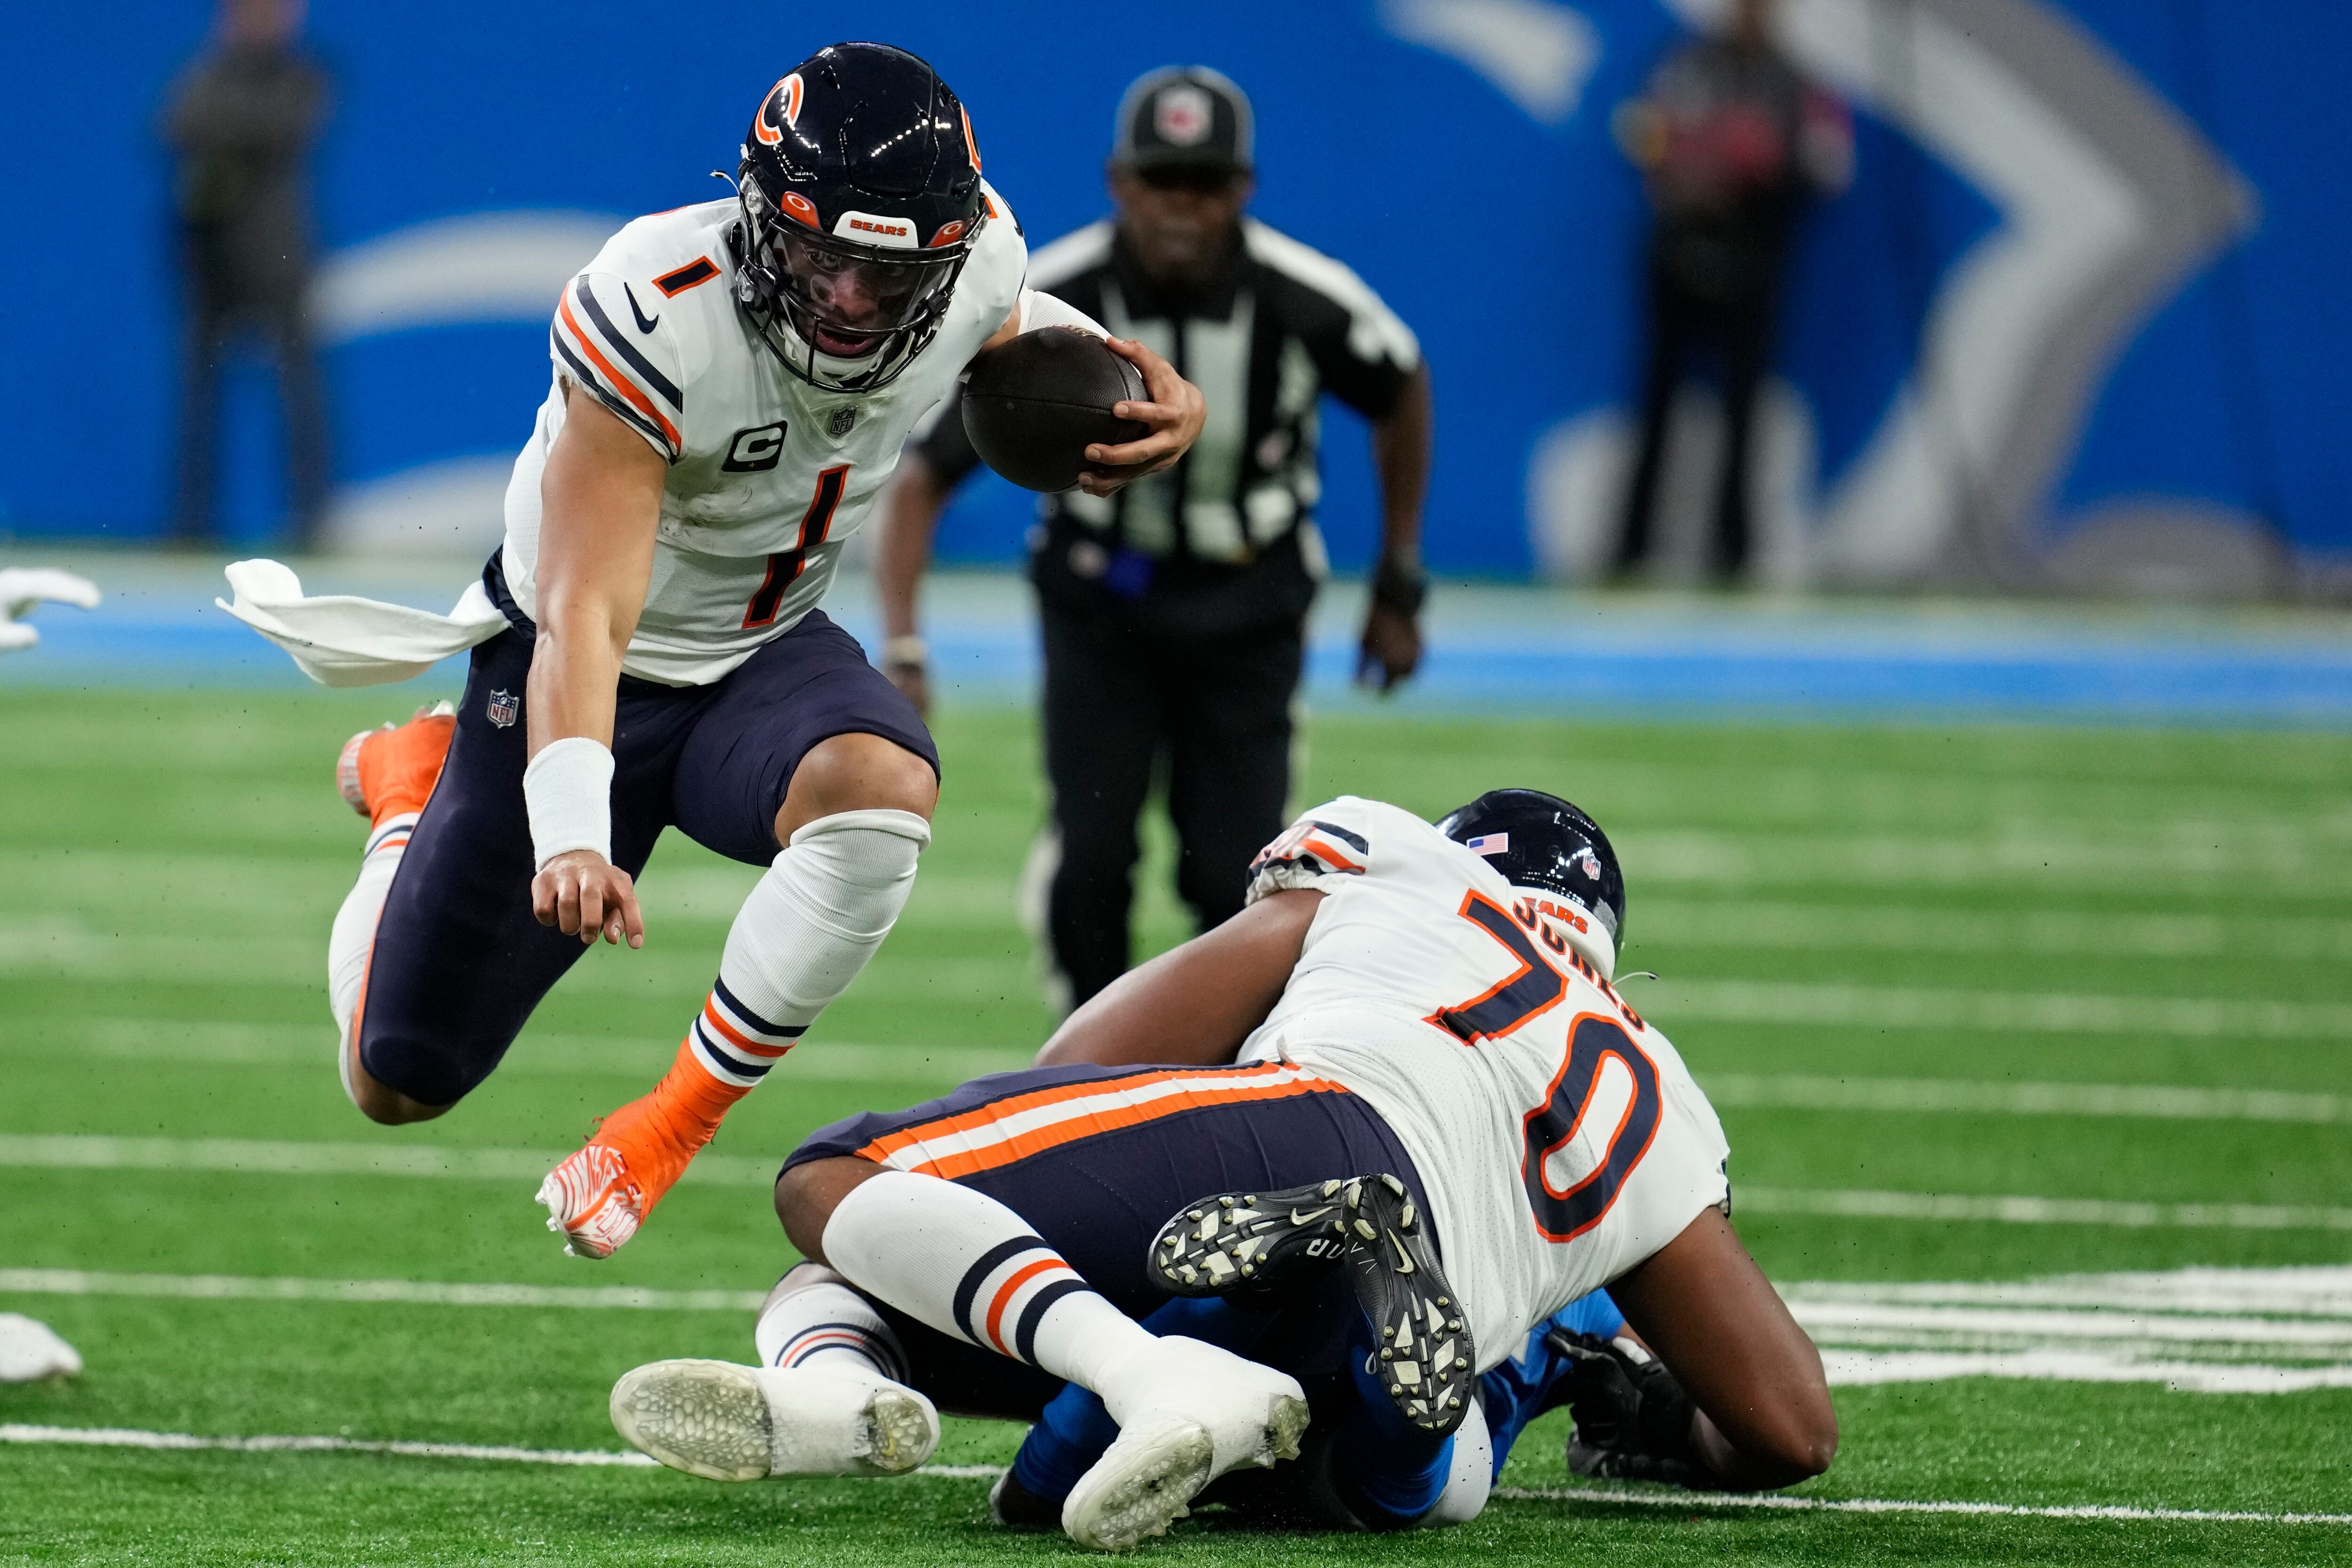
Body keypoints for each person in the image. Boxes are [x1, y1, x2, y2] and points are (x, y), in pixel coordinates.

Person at [222, 44, 1205, 1260]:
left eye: (886, 272)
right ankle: (405, 794)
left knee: (884, 791)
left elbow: (1004, 317)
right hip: (583, 660)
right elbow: (587, 607)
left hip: (767, 649)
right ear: (759, 220)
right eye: (821, 258)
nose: (850, 299)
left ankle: (669, 1126)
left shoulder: (973, 262)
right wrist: (576, 828)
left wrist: (1145, 390)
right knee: (399, 1076)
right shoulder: (658, 307)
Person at [609, 787, 1835, 1548]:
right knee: (1327, 1455)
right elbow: (1793, 1426)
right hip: (1421, 1333)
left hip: (1328, 1122)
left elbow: (1082, 1060)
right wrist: (1687, 1430)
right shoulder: (1654, 1083)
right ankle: (901, 1392)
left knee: (837, 1180)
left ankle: (1128, 1367)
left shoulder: (1406, 870)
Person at [873, 65, 1434, 1013]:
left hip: (1251, 600)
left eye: (1204, 185)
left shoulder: (1301, 297)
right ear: (1118, 182)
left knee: (1238, 868)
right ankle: (1080, 1067)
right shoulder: (1045, 299)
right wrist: (903, 642)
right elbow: (923, 471)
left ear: (1241, 190)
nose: (1181, 209)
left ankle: (1218, 1083)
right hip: (1103, 599)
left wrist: (1398, 579)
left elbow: (1401, 383)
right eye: (1161, 183)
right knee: (1091, 857)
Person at [1611, 0, 1851, 583]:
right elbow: (1639, 133)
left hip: (1754, 250)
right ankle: (1630, 550)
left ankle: (1732, 556)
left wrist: (1774, 164)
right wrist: (1694, 157)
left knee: (1743, 409)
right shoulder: (1688, 64)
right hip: (1683, 244)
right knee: (1657, 400)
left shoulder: (1792, 82)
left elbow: (1830, 167)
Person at [162, 0, 334, 549]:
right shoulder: (208, 70)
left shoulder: (304, 75)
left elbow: (274, 130)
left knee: (297, 397)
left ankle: (310, 525)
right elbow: (174, 124)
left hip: (278, 261)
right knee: (199, 399)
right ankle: (191, 528)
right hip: (211, 263)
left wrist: (223, 134)